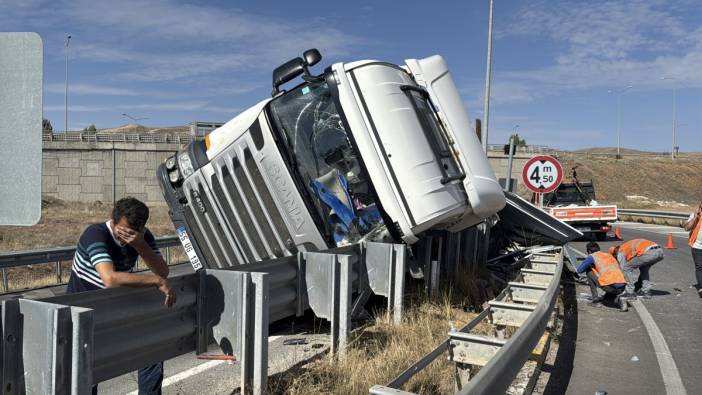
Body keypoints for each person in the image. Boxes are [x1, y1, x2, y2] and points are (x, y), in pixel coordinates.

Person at [67, 197, 175, 394]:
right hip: (83, 315)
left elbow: (163, 271)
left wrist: (141, 245)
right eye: (124, 231)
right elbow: (110, 279)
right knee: (88, 374)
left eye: (134, 232)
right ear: (113, 220)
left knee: (151, 351)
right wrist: (156, 281)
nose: (127, 237)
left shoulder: (142, 236)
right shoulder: (96, 234)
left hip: (114, 311)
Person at [576, 242, 627, 311]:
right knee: (607, 299)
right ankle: (618, 300)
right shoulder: (609, 255)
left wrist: (590, 265)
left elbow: (579, 270)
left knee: (589, 271)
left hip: (610, 287)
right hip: (622, 286)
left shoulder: (592, 256)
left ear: (589, 251)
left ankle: (595, 300)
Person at [683, 203, 702, 298]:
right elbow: (686, 228)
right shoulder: (695, 215)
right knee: (699, 267)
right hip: (697, 246)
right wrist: (695, 217)